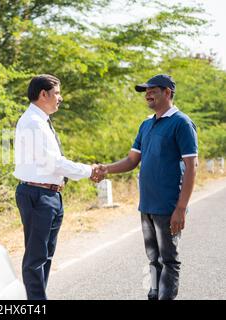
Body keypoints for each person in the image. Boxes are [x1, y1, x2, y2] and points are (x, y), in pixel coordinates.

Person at [94, 74, 198, 300]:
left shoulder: (181, 123)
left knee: (168, 260)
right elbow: (132, 160)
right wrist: (106, 169)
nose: (148, 94)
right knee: (153, 258)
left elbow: (192, 167)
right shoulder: (146, 124)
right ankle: (154, 295)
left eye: (153, 90)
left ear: (168, 92)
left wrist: (181, 208)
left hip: (169, 206)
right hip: (147, 206)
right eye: (145, 91)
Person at [13, 74, 103, 300]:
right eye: (57, 93)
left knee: (45, 256)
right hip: (37, 194)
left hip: (49, 195)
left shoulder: (41, 121)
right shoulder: (33, 122)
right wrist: (89, 170)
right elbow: (54, 163)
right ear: (43, 94)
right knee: (36, 258)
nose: (60, 98)